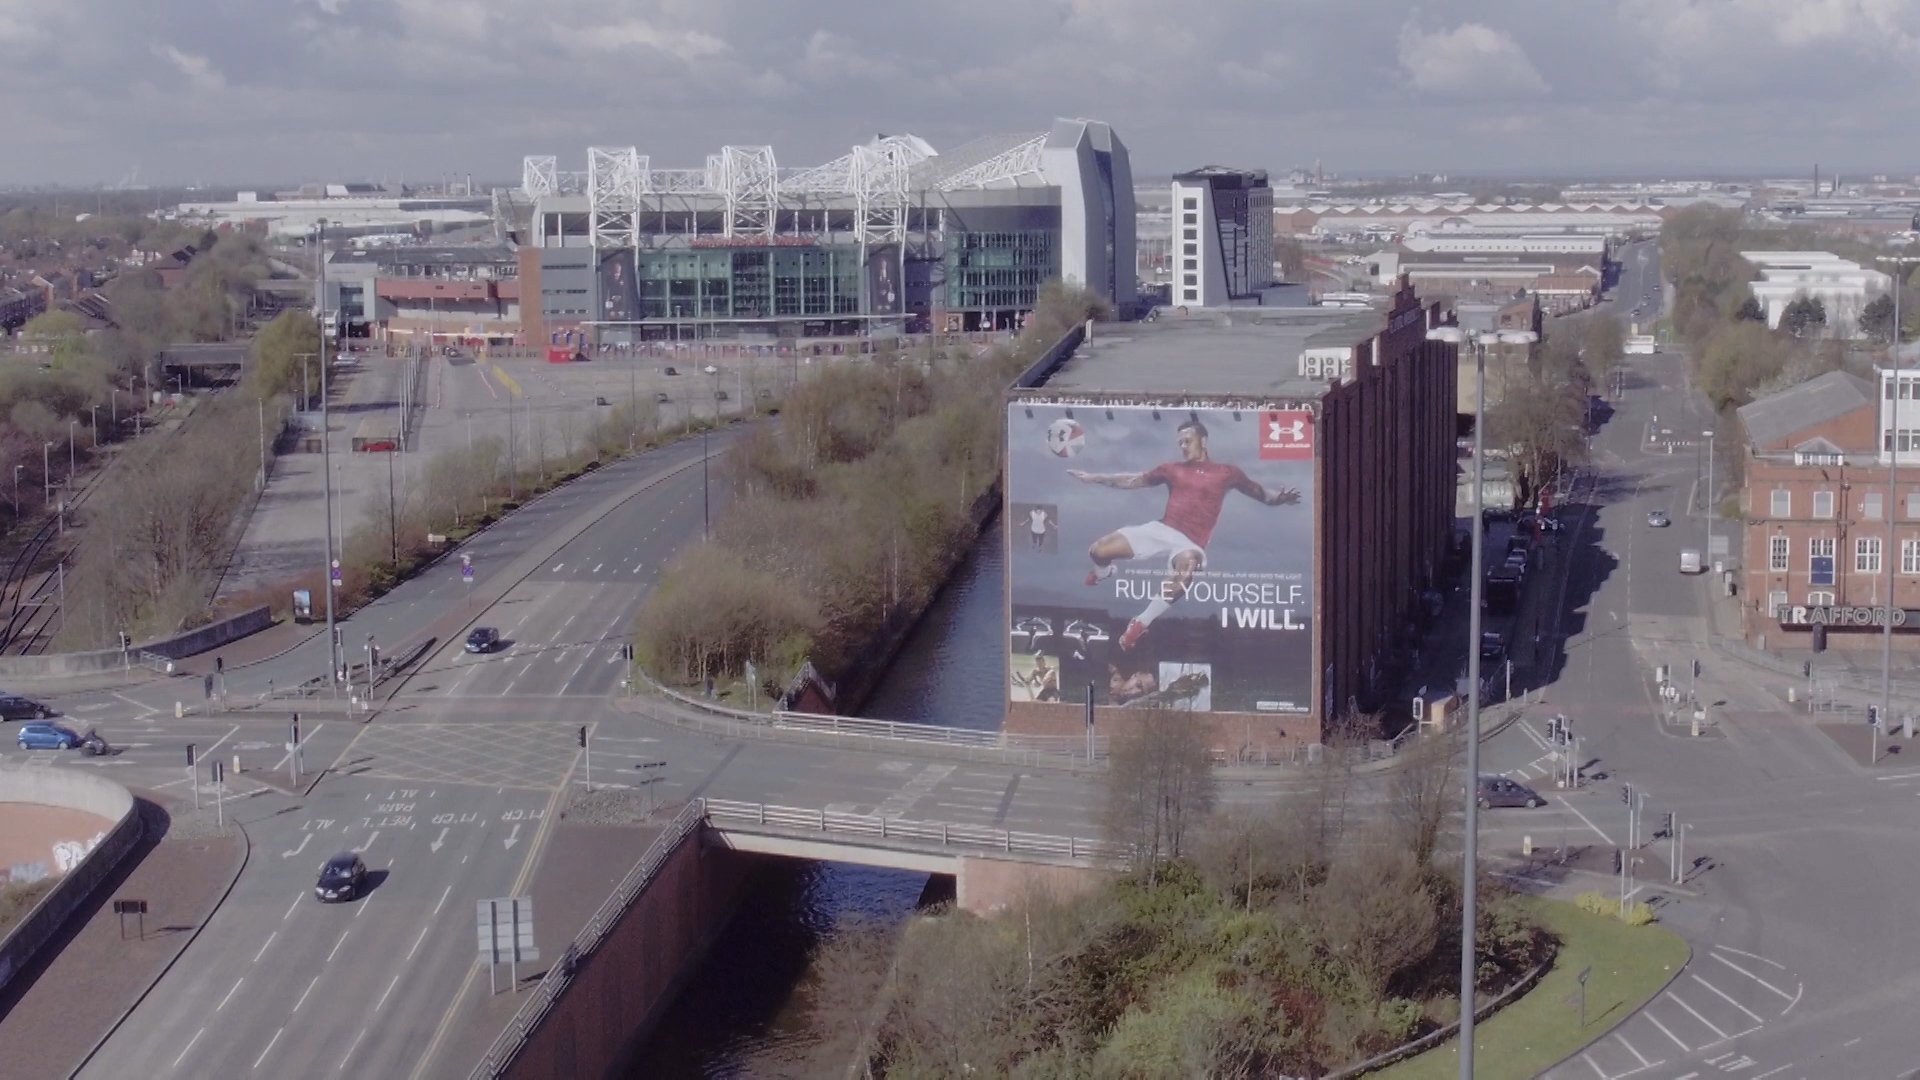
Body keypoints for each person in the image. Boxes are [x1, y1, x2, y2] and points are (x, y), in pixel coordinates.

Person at [1069, 418, 1302, 650]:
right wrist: (1094, 478)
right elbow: (1131, 480)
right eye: (1179, 442)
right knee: (1098, 550)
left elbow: (1260, 492)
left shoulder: (1227, 473)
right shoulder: (1172, 470)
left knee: (1187, 567)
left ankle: (1141, 622)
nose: (1183, 446)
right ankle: (1103, 572)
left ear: (1203, 440)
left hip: (1190, 543)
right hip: (1162, 529)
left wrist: (1280, 499)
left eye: (1187, 440)